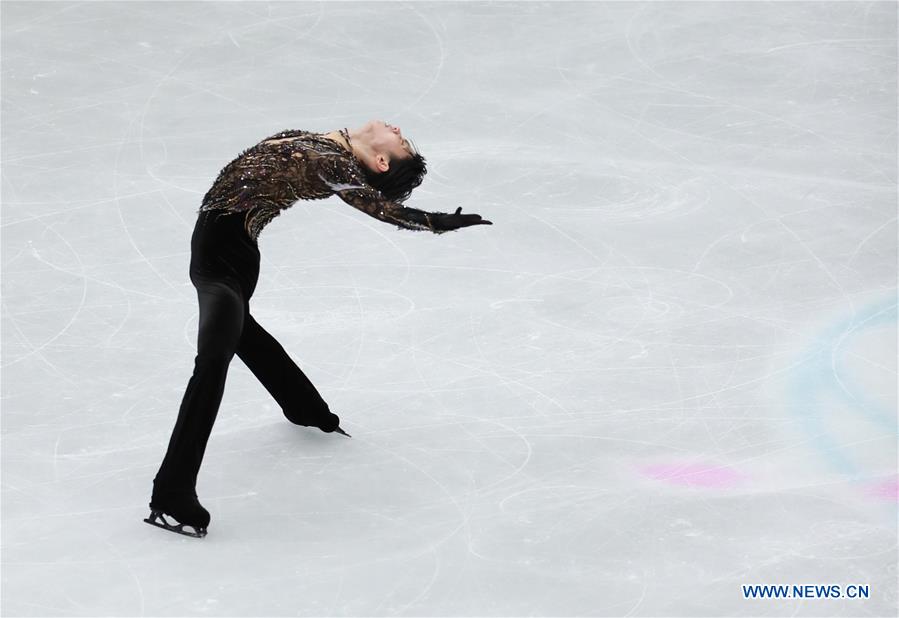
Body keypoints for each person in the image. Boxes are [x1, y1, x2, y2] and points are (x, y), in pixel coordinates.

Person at [144, 120, 492, 538]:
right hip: (225, 252)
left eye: (400, 142)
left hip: (225, 264)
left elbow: (379, 206)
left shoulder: (337, 165)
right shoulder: (326, 143)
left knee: (214, 359)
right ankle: (307, 410)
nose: (398, 129)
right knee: (243, 337)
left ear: (380, 161)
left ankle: (171, 493)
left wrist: (434, 221)